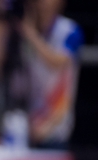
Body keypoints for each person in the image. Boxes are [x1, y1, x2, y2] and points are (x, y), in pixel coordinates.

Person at [20, 0, 83, 148]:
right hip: (28, 125)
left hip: (56, 127)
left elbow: (57, 62)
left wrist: (31, 36)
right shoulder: (24, 31)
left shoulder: (70, 30)